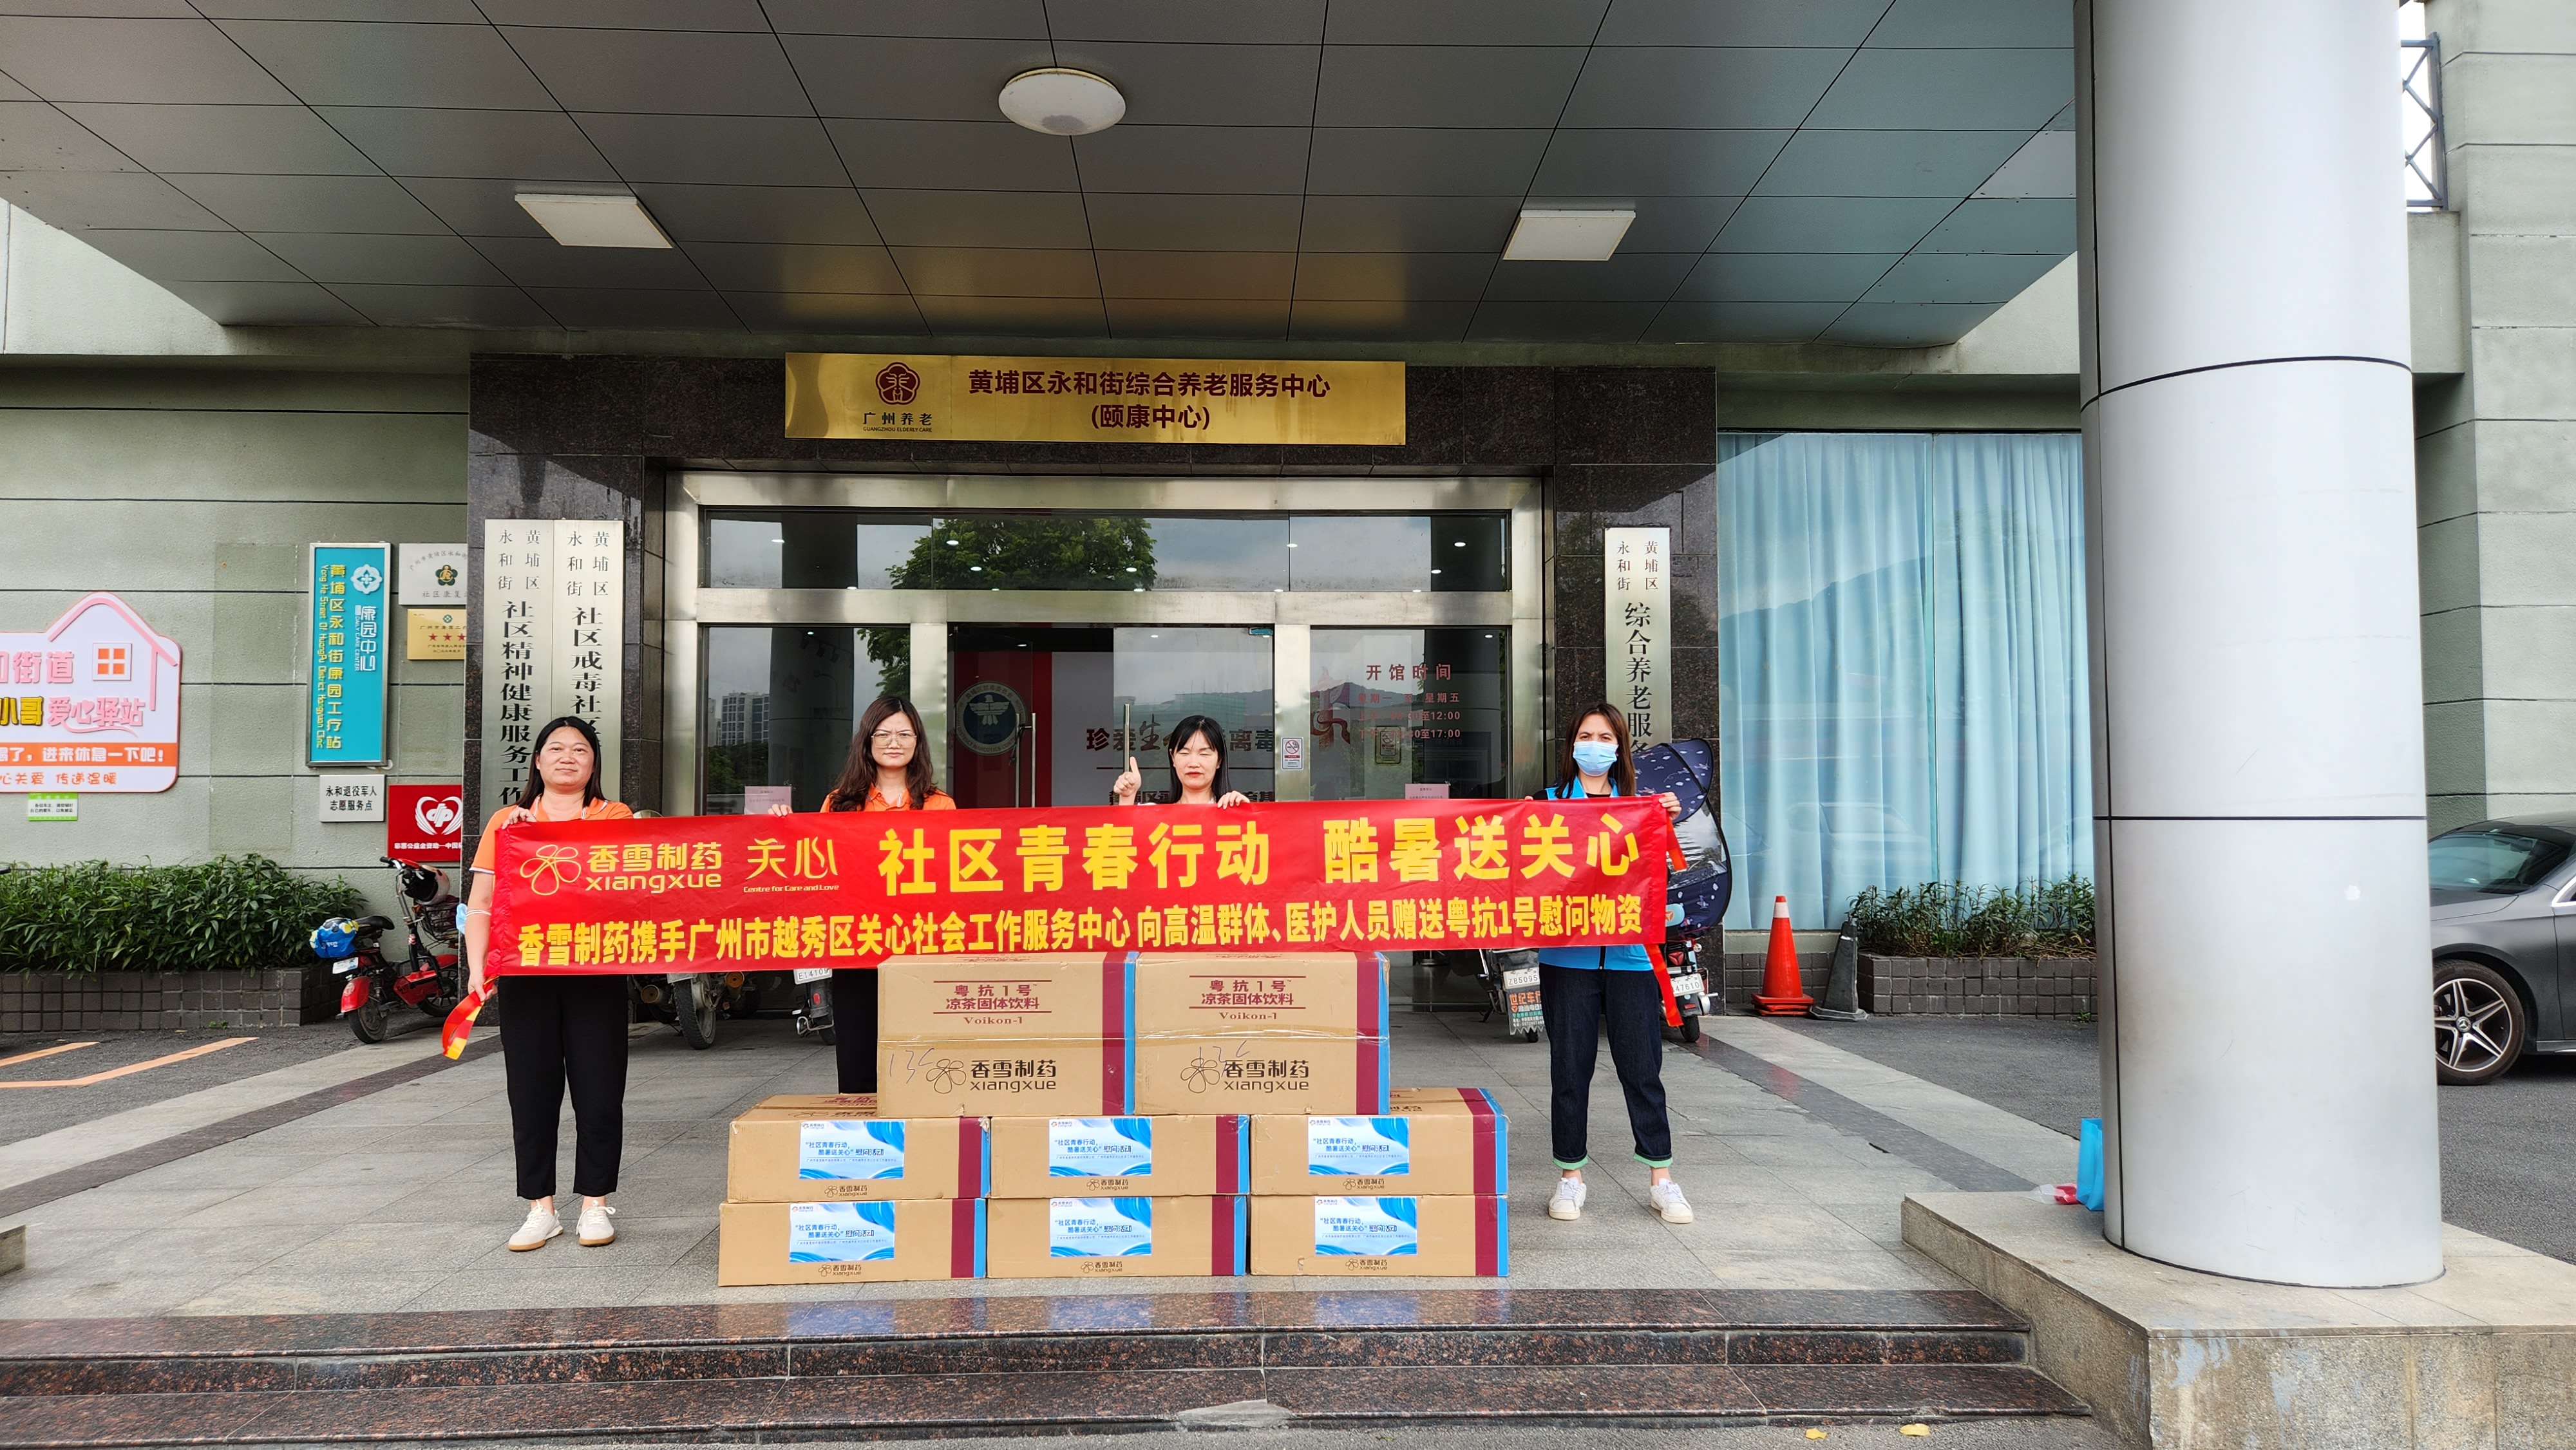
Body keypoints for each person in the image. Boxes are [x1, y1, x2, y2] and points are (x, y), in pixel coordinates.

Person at [461, 715, 634, 1253]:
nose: (567, 757)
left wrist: (539, 837)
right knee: (531, 1093)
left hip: (596, 972)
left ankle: (595, 1204)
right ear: (537, 761)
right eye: (556, 749)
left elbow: (627, 885)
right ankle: (540, 1209)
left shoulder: (615, 816)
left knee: (599, 1092)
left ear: (593, 763)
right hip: (526, 973)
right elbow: (482, 904)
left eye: (580, 749)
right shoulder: (505, 822)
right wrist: (476, 968)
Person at [1532, 702, 1691, 1226]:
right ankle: (1570, 1177)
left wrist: (1666, 820)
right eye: (1586, 736)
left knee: (1643, 1070)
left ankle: (1662, 1178)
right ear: (1571, 745)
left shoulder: (1642, 806)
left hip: (1632, 958)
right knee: (1569, 1070)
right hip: (1568, 959)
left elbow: (1664, 873)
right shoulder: (1545, 805)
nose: (1594, 746)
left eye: (1605, 737)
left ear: (1620, 747)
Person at [797, 697, 952, 1095]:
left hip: (921, 947)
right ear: (867, 741)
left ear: (918, 742)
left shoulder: (940, 805)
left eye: (904, 734)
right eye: (883, 734)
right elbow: (819, 871)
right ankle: (862, 1133)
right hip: (858, 944)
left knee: (924, 1059)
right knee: (858, 1057)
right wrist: (781, 829)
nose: (893, 742)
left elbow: (951, 880)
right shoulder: (839, 804)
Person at [1111, 714, 1251, 807]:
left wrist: (1247, 815)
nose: (1193, 763)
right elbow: (1122, 840)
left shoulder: (1233, 814)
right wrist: (1127, 799)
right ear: (1173, 757)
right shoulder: (1153, 813)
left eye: (1204, 754)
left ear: (1219, 760)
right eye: (1185, 753)